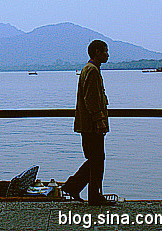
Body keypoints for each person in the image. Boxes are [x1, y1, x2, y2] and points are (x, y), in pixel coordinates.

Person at [61, 40, 115, 206]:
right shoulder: (92, 71)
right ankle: (93, 196)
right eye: (105, 51)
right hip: (91, 125)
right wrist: (99, 120)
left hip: (88, 124)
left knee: (95, 159)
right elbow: (91, 99)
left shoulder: (90, 69)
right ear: (97, 52)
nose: (107, 54)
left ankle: (73, 187)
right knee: (97, 160)